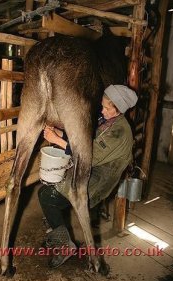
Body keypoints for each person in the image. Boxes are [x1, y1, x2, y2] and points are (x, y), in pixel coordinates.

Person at [38, 84, 138, 268]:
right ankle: (59, 235)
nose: (102, 110)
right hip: (89, 170)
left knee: (47, 196)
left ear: (119, 109)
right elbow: (84, 142)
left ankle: (65, 245)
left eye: (107, 108)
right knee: (47, 192)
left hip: (97, 181)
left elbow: (89, 155)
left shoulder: (120, 131)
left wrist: (56, 141)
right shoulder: (107, 120)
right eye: (102, 106)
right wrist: (59, 133)